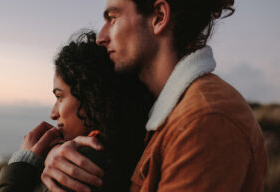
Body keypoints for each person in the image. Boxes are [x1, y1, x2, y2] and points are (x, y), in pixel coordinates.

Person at [41, 0, 267, 191]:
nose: (101, 36)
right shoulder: (165, 113)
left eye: (113, 18)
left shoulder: (204, 121)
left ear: (159, 17)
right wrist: (57, 156)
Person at [0, 31, 153, 192]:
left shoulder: (77, 166)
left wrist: (23, 163)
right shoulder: (129, 147)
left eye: (60, 97)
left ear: (91, 97)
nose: (53, 113)